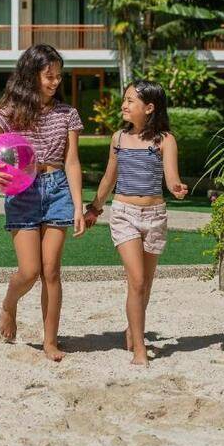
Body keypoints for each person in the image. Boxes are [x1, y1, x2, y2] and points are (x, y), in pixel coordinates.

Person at [0, 44, 86, 362]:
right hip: (23, 192)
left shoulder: (68, 114)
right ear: (31, 76)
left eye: (59, 76)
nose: (55, 82)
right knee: (30, 271)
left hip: (58, 189)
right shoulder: (12, 112)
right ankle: (10, 304)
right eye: (49, 76)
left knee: (51, 272)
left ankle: (50, 341)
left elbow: (72, 161)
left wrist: (78, 205)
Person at [84, 81, 187, 366]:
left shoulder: (165, 140)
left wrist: (177, 188)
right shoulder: (118, 138)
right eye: (125, 99)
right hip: (124, 214)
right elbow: (109, 178)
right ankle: (140, 349)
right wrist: (94, 208)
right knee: (137, 280)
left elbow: (171, 178)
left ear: (149, 107)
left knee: (145, 284)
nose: (124, 105)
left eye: (131, 100)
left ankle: (133, 329)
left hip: (155, 216)